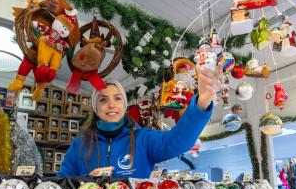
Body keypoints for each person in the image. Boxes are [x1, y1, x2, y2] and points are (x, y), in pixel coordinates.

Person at [58, 68, 219, 178]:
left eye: (117, 98)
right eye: (103, 99)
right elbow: (64, 184)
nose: (112, 104)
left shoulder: (143, 139)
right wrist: (87, 182)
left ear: (124, 105)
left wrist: (201, 104)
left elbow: (178, 142)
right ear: (96, 107)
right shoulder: (79, 145)